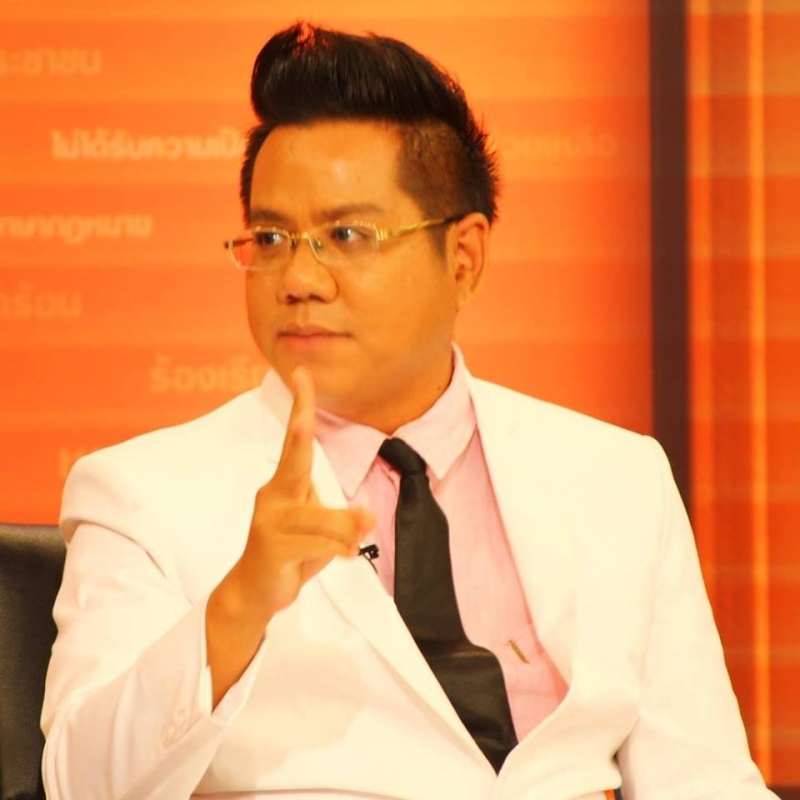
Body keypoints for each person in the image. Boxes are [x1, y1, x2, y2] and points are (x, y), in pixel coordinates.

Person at [41, 22, 776, 800]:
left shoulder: (618, 479)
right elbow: (79, 783)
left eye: (346, 234)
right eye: (272, 237)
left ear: (465, 257)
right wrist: (239, 604)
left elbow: (704, 781)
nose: (299, 279)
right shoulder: (141, 494)